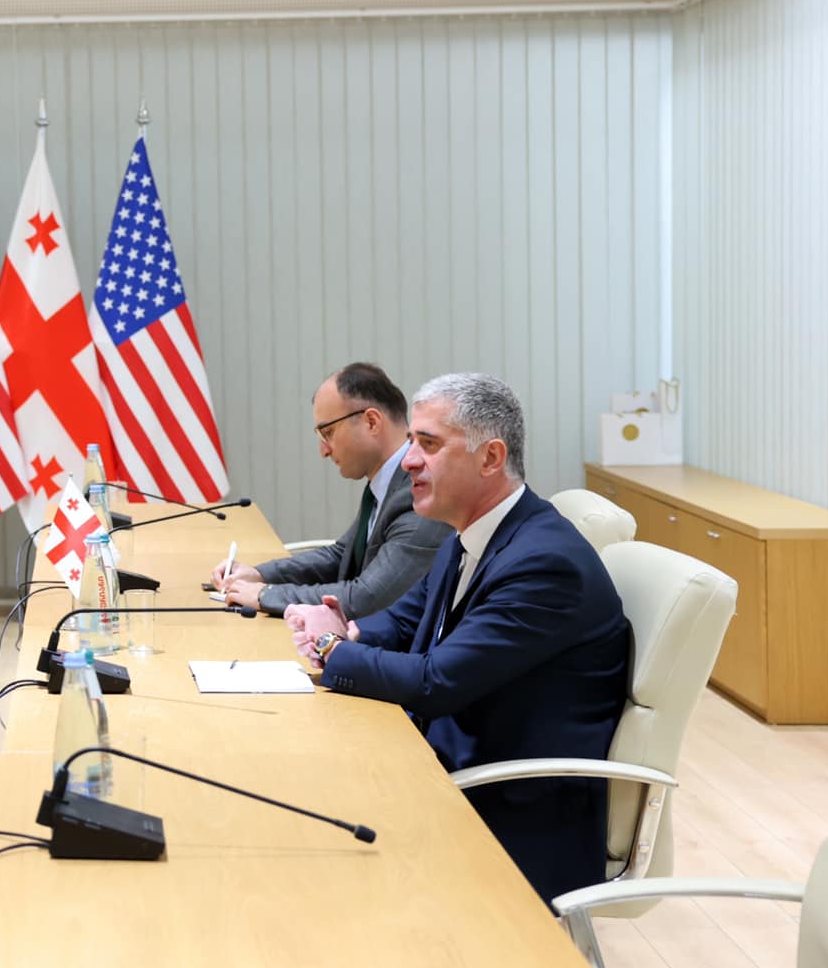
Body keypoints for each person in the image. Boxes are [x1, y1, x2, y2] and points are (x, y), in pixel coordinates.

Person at [286, 374, 630, 902]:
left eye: (428, 444)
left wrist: (333, 649)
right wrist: (344, 627)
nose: (408, 461)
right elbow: (405, 621)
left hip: (511, 810)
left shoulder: (544, 563)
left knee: (309, 828)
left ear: (490, 458)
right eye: (411, 442)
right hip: (451, 763)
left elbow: (436, 682)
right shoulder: (473, 531)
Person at [213, 362, 446, 620]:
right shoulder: (386, 484)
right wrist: (260, 575)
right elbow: (341, 556)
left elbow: (367, 599)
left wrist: (265, 594)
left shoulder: (419, 489)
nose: (323, 450)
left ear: (371, 422)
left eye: (328, 432)